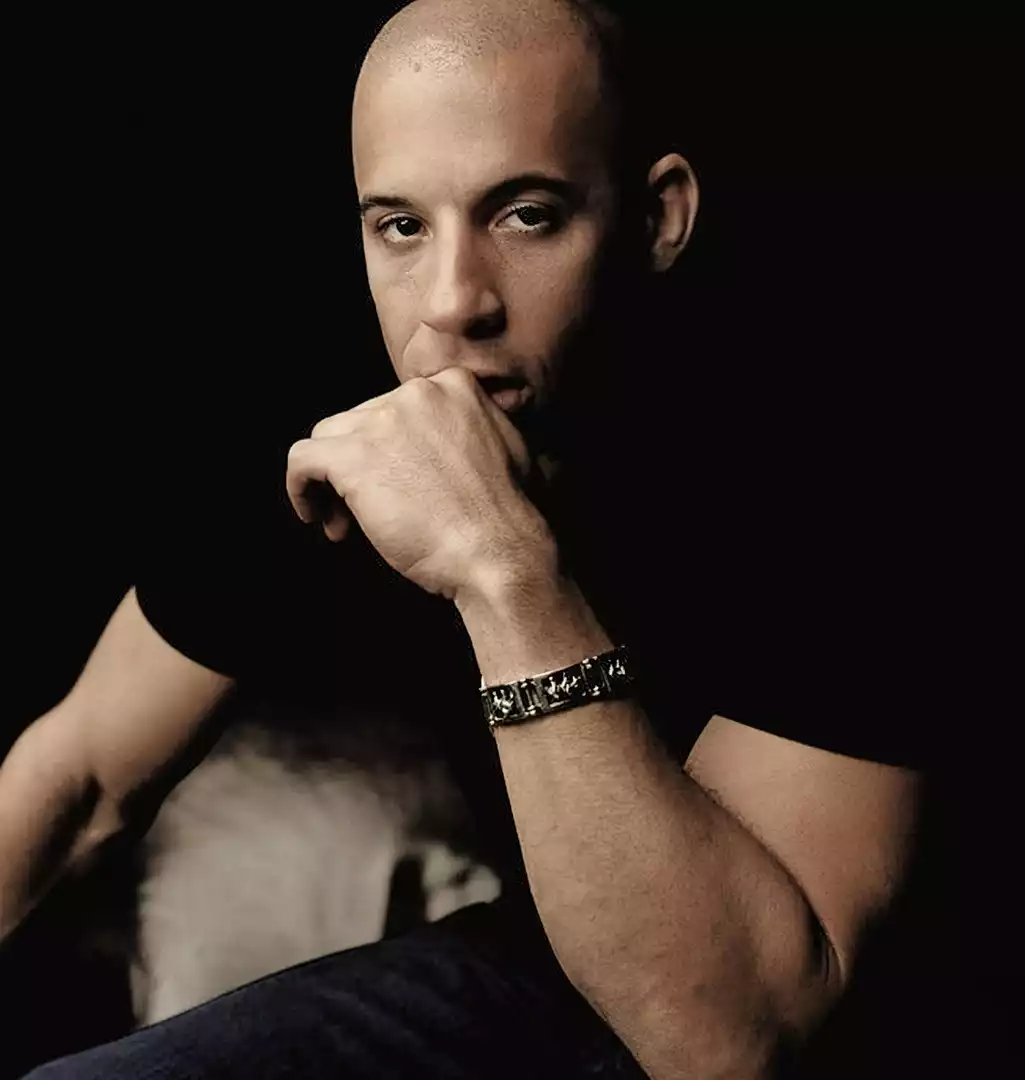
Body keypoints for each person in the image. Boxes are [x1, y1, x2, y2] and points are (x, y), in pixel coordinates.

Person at [0, 1, 939, 1076]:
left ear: (657, 218)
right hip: (548, 958)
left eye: (526, 215)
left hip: (823, 998)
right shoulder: (350, 426)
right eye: (401, 227)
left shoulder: (846, 448)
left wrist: (502, 568)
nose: (451, 304)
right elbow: (80, 781)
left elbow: (732, 1036)